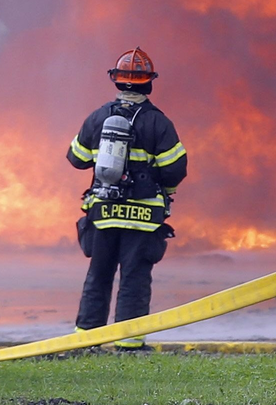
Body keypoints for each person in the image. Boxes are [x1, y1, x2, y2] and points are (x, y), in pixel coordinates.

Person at [68, 47, 187, 351]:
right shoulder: (159, 124)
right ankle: (129, 344)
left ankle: (86, 340)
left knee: (99, 274)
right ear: (149, 83)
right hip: (143, 217)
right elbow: (175, 169)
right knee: (134, 277)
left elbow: (77, 158)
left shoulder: (98, 118)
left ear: (117, 82)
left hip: (104, 212)